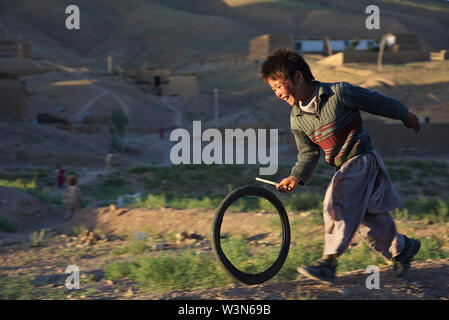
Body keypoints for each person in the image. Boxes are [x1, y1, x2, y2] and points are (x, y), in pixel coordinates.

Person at [261, 48, 421, 283]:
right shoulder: (297, 119)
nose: (277, 93)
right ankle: (402, 248)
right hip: (345, 167)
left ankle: (328, 262)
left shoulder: (339, 93)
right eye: (272, 89)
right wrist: (295, 177)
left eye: (278, 86)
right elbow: (308, 153)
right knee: (368, 221)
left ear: (297, 77)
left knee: (335, 200)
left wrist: (405, 115)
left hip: (362, 159)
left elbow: (377, 102)